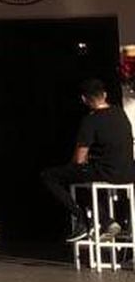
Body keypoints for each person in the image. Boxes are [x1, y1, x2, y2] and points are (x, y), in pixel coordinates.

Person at [40, 78, 135, 239]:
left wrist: (74, 166)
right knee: (82, 181)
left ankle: (82, 219)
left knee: (50, 176)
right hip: (128, 172)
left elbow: (79, 158)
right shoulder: (120, 113)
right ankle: (106, 220)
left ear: (84, 99)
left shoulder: (91, 120)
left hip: (106, 173)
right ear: (104, 95)